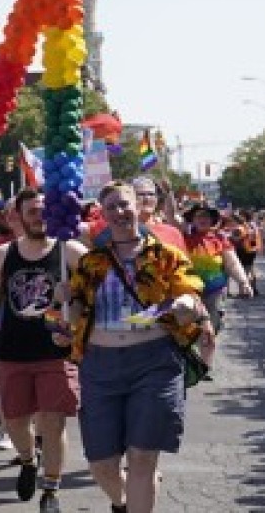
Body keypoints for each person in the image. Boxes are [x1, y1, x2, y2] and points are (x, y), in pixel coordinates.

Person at [64, 181, 208, 513]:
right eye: (111, 206)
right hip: (100, 366)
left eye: (125, 204)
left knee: (142, 457)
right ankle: (122, 502)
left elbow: (190, 292)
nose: (119, 211)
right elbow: (73, 316)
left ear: (139, 208)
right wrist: (64, 301)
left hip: (154, 362)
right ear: (102, 215)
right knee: (102, 464)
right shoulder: (90, 263)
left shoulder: (165, 256)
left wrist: (186, 303)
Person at [0, 189, 87, 513]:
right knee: (14, 420)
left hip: (55, 353)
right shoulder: (4, 254)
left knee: (54, 423)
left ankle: (51, 491)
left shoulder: (68, 250)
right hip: (12, 353)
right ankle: (29, 461)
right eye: (31, 212)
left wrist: (76, 297)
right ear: (18, 216)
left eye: (43, 210)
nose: (38, 217)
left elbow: (102, 288)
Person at [182, 203, 251, 337]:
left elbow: (232, 263)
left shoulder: (220, 239)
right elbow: (172, 218)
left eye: (206, 216)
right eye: (198, 216)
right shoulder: (184, 238)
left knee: (211, 331)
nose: (202, 219)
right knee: (192, 332)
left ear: (212, 220)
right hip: (192, 293)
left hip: (215, 294)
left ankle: (206, 351)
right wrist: (169, 195)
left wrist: (243, 282)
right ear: (192, 220)